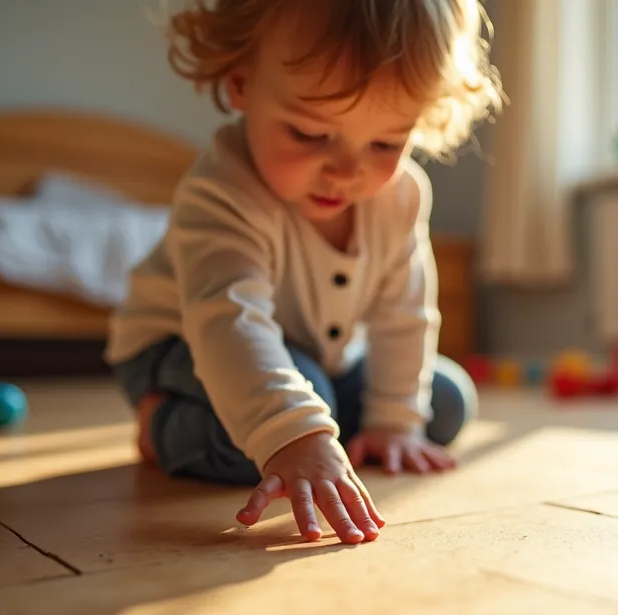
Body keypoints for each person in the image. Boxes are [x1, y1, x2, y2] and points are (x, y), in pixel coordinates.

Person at [104, 0, 504, 546]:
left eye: (387, 142)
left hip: (318, 353)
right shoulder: (222, 191)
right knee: (291, 421)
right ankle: (162, 428)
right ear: (241, 84)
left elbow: (403, 313)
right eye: (312, 134)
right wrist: (296, 436)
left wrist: (394, 423)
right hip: (183, 344)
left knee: (446, 399)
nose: (347, 170)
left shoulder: (402, 195)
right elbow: (231, 321)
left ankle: (329, 420)